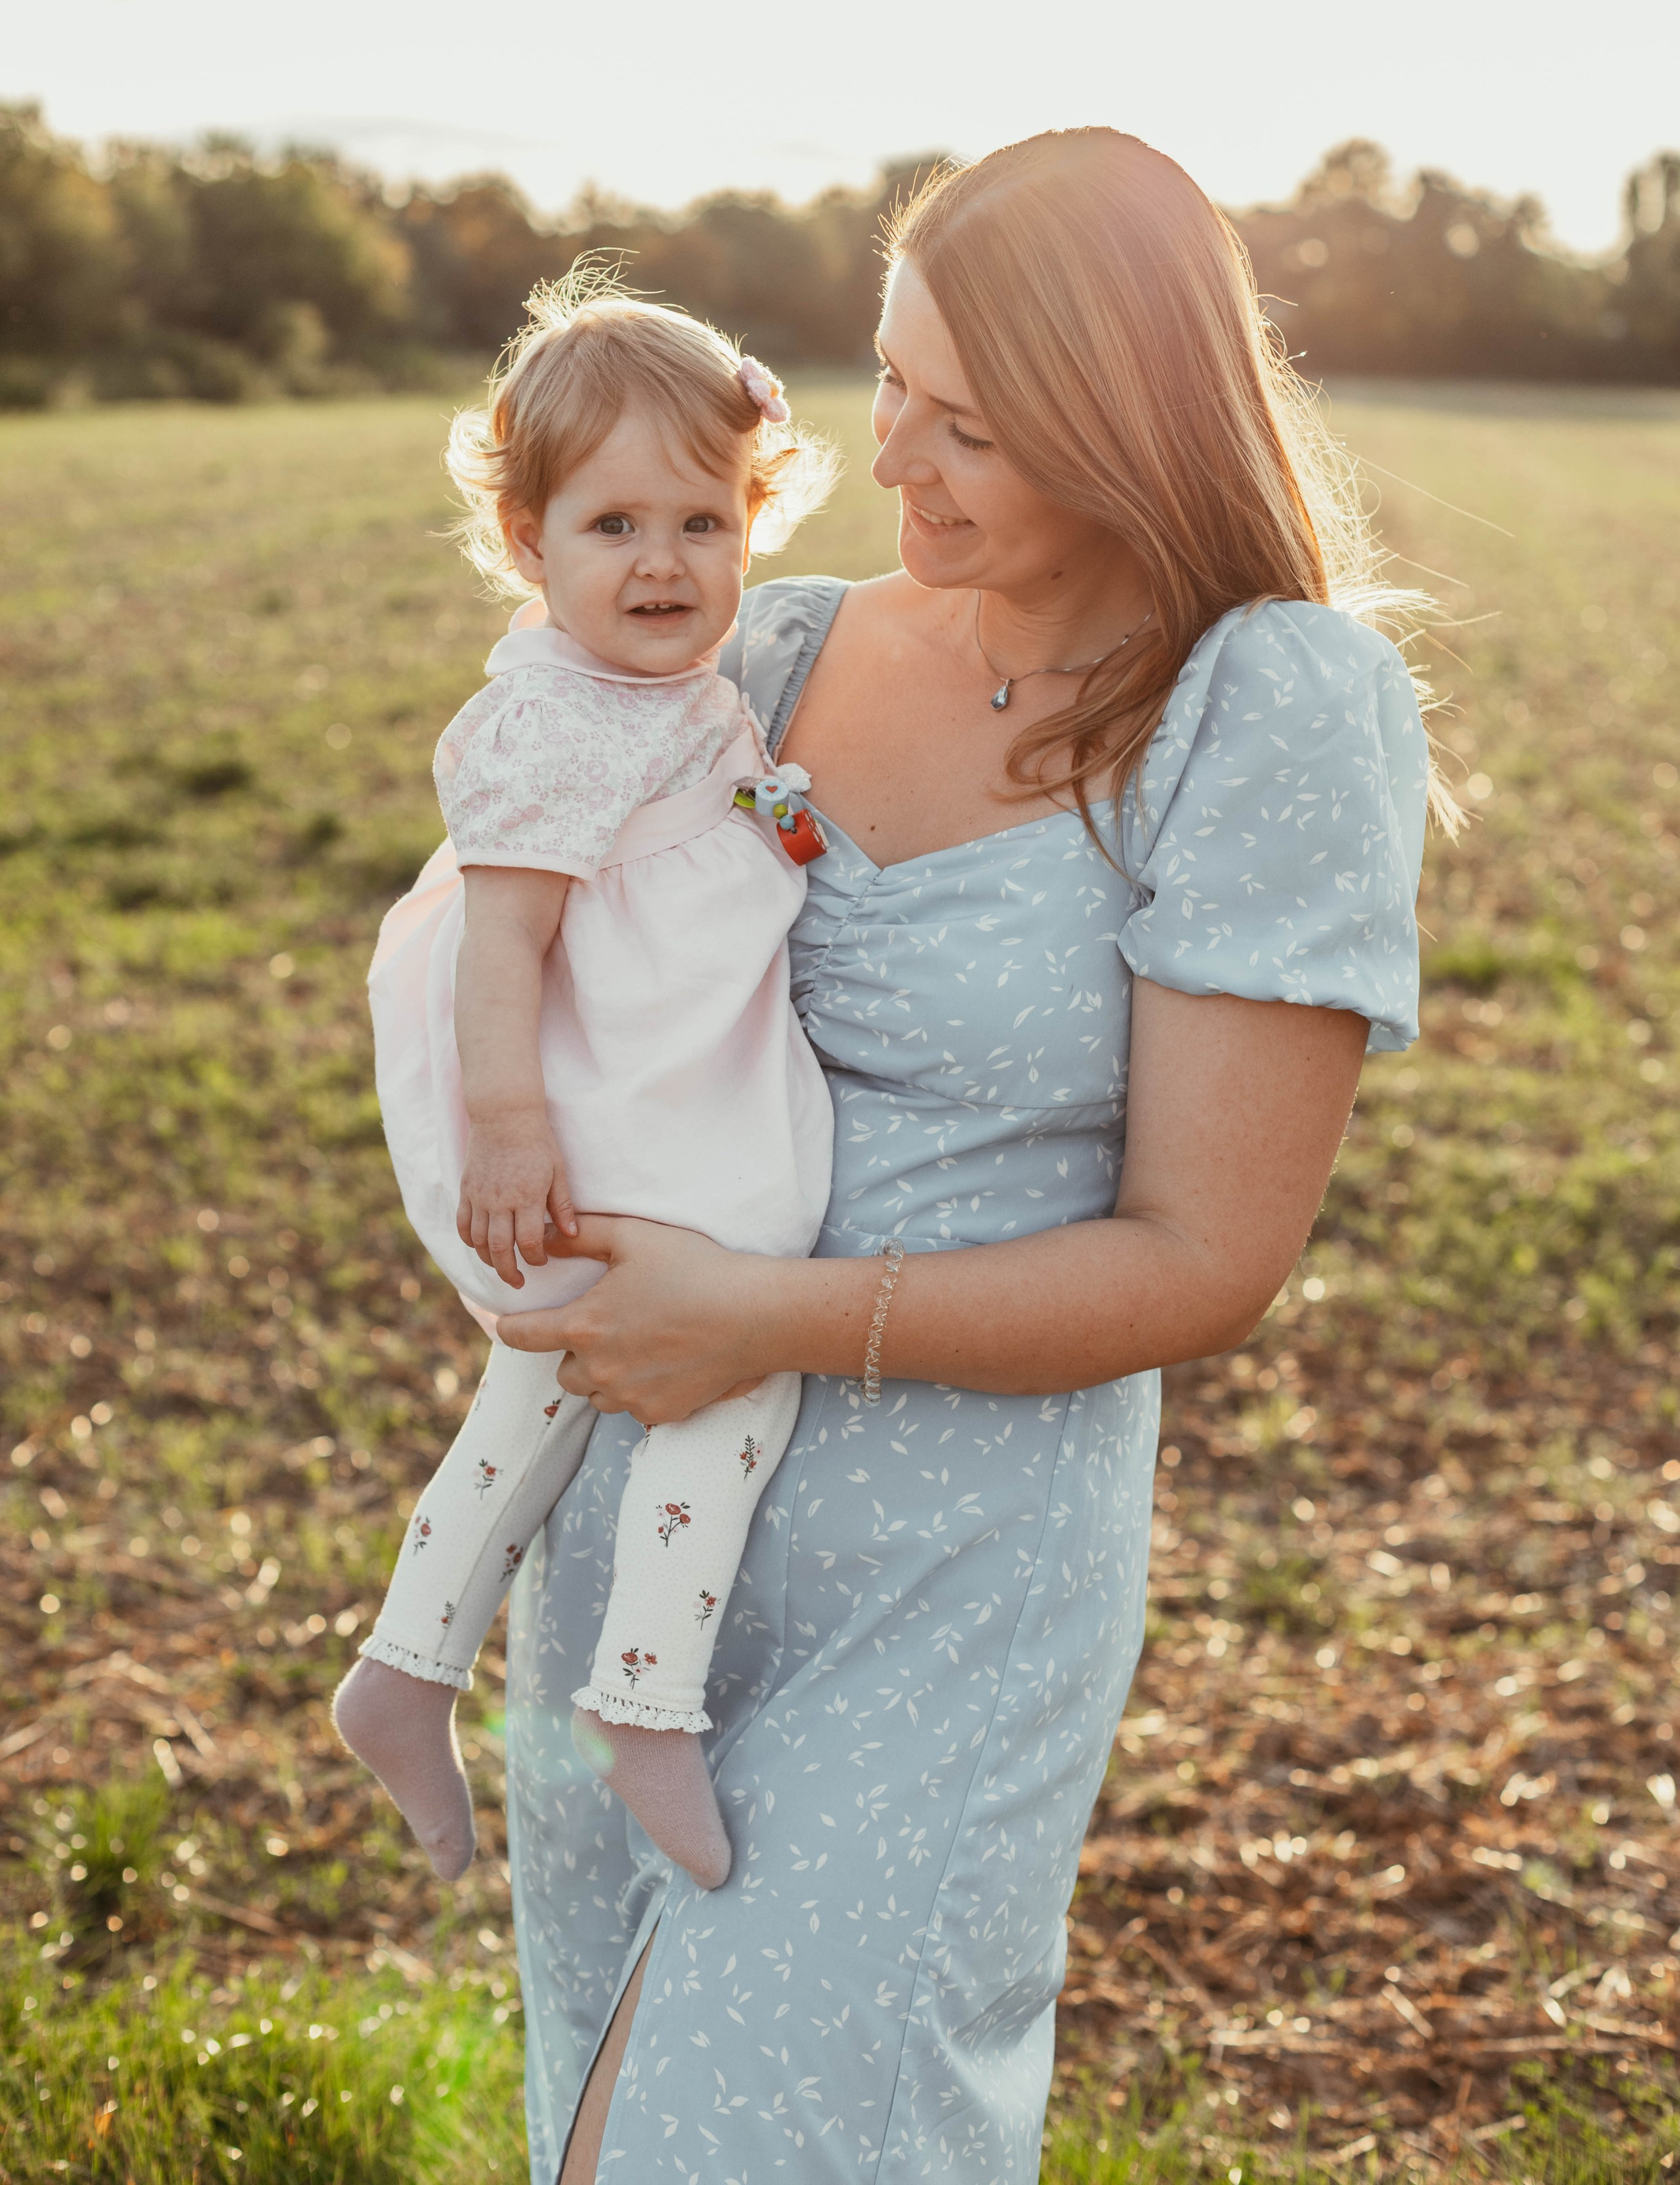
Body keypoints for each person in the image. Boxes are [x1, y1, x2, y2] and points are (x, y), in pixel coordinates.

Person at [491, 127, 1443, 2184]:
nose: (887, 452)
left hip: (946, 1580)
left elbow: (1206, 1255)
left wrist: (758, 1309)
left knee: (766, 2143)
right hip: (640, 1533)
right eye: (885, 381)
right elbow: (526, 928)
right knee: (597, 2124)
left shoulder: (1262, 706)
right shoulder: (766, 648)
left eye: (968, 423)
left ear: (1116, 426)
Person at [333, 282, 836, 1895]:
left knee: (544, 1383)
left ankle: (406, 1670)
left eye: (704, 519)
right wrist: (508, 1129)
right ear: (524, 534)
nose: (663, 563)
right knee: (736, 1347)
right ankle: (642, 1699)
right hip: (607, 1101)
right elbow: (501, 947)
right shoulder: (551, 720)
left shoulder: (669, 679)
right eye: (612, 523)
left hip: (654, 1072)